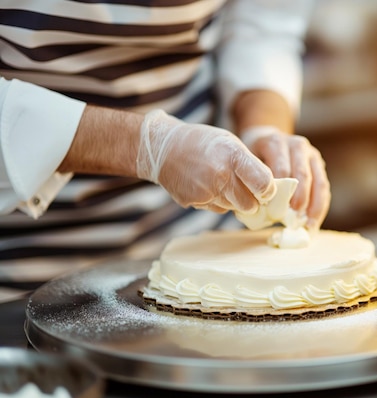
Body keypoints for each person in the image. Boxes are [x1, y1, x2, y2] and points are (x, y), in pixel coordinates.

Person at [0, 0, 330, 231]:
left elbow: (262, 27)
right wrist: (148, 147)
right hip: (23, 256)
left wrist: (263, 128)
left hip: (195, 239)